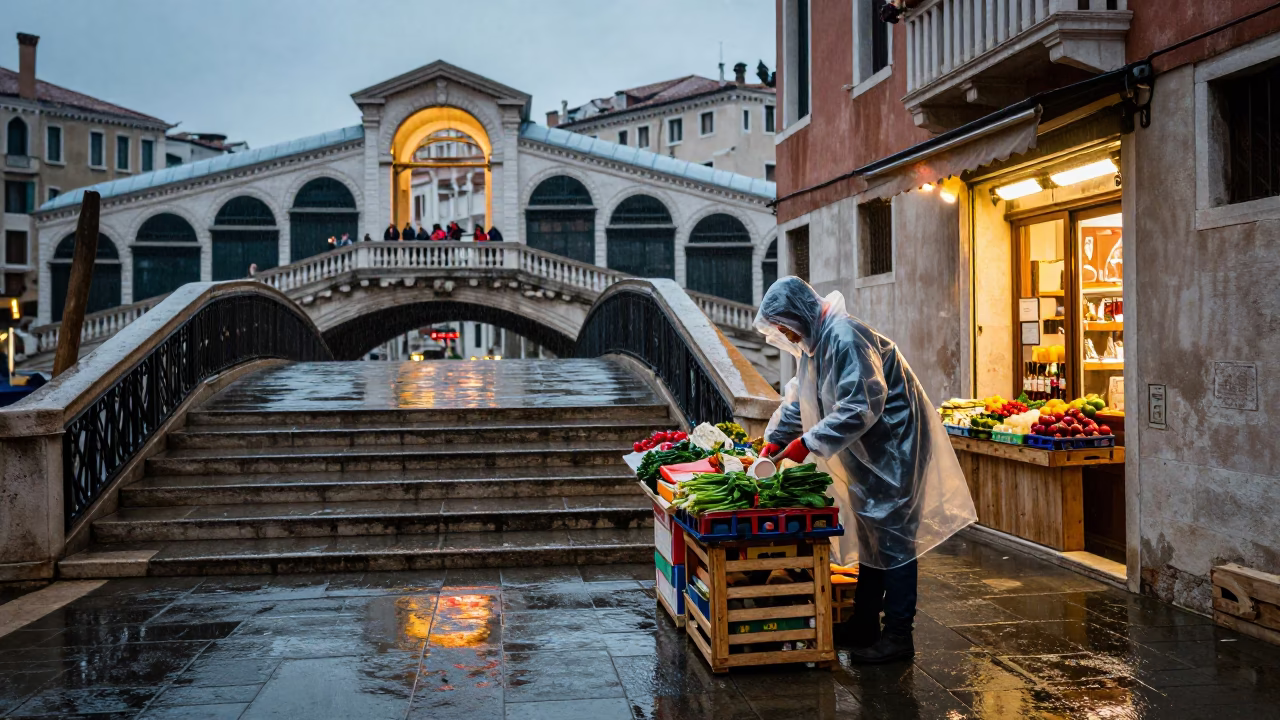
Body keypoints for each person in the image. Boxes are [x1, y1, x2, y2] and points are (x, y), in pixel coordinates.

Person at [756, 276, 976, 664]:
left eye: (785, 325)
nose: (785, 334)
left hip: (896, 449)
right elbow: (805, 401)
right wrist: (777, 438)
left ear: (799, 312)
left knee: (895, 540)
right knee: (873, 536)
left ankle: (897, 636)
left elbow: (860, 406)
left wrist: (805, 443)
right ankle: (863, 622)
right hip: (869, 453)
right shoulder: (816, 345)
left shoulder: (844, 337)